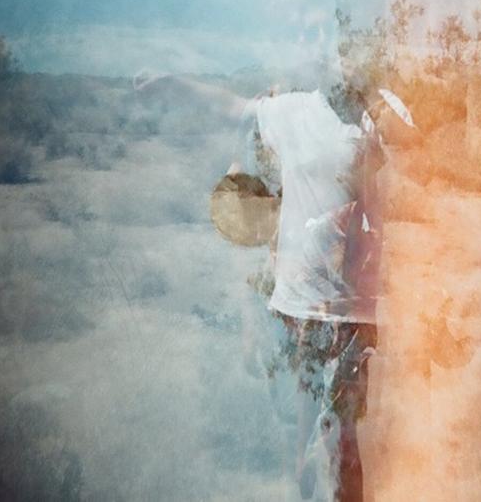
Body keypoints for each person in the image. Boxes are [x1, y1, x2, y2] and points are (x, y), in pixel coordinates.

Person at [135, 48, 417, 501]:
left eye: (353, 54)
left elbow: (415, 157)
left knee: (342, 440)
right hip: (297, 307)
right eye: (338, 54)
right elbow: (231, 107)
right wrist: (173, 83)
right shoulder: (292, 113)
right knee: (301, 434)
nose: (344, 63)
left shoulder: (375, 117)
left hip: (349, 314)